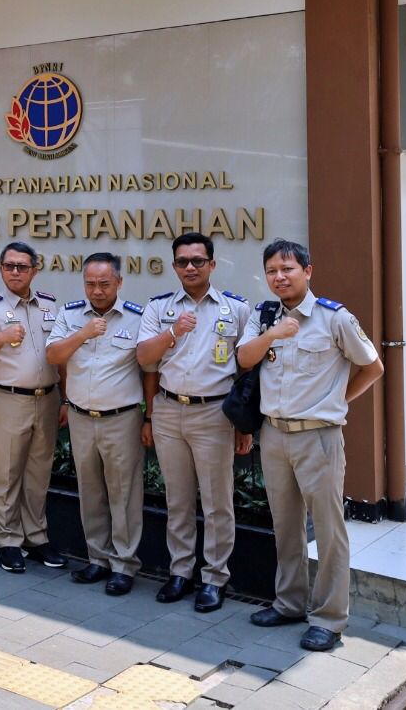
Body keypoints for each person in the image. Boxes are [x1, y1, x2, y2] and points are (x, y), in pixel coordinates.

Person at [238, 239, 383, 653]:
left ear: (308, 271)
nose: (279, 277)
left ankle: (329, 619)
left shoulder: (333, 318)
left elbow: (373, 366)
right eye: (271, 271)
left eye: (287, 269)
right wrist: (274, 334)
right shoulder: (265, 316)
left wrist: (337, 401)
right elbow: (245, 359)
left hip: (318, 436)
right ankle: (289, 603)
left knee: (328, 528)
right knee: (284, 525)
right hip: (275, 434)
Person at [136, 232, 252, 614]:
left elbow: (247, 368)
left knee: (218, 503)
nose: (190, 267)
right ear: (174, 267)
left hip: (215, 413)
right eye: (183, 261)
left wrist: (244, 425)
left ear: (212, 265)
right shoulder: (159, 308)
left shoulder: (236, 309)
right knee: (179, 499)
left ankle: (215, 578)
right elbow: (144, 358)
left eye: (197, 261)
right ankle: (180, 572)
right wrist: (173, 332)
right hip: (169, 410)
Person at [46, 253, 150, 594]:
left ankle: (124, 565)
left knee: (123, 494)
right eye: (91, 283)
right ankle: (98, 559)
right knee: (90, 492)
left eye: (105, 284)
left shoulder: (137, 317)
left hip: (121, 418)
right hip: (79, 416)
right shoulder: (71, 313)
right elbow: (54, 356)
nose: (97, 290)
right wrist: (84, 334)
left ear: (119, 282)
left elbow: (150, 368)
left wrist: (148, 415)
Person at [0, 241, 63, 574]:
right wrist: (1, 338)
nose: (15, 272)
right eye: (9, 266)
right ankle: (7, 540)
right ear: (1, 269)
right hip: (7, 399)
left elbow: (59, 354)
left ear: (35, 269)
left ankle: (36, 537)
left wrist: (62, 397)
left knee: (38, 473)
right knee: (7, 473)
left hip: (47, 399)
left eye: (22, 266)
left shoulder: (50, 304)